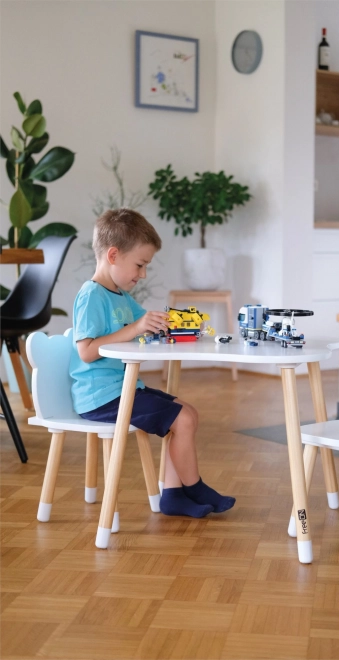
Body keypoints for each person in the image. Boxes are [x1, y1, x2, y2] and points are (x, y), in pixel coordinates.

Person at [69, 208, 235, 518]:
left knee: (188, 414)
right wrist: (135, 328)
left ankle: (173, 495)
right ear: (113, 255)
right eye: (140, 264)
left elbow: (146, 324)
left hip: (122, 389)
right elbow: (86, 352)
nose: (142, 274)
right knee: (182, 419)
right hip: (101, 397)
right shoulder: (92, 296)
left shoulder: (118, 295)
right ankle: (194, 487)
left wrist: (181, 323)